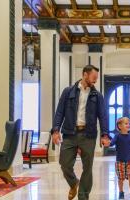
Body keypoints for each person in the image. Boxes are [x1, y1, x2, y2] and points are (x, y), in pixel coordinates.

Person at [51, 65, 111, 200]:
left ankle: (83, 196)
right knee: (64, 163)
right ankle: (73, 183)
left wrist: (105, 135)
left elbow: (103, 116)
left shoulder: (97, 96)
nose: (95, 81)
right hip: (69, 133)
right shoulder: (68, 92)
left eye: (96, 78)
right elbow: (60, 112)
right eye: (93, 77)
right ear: (85, 74)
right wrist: (55, 130)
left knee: (87, 167)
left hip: (88, 135)